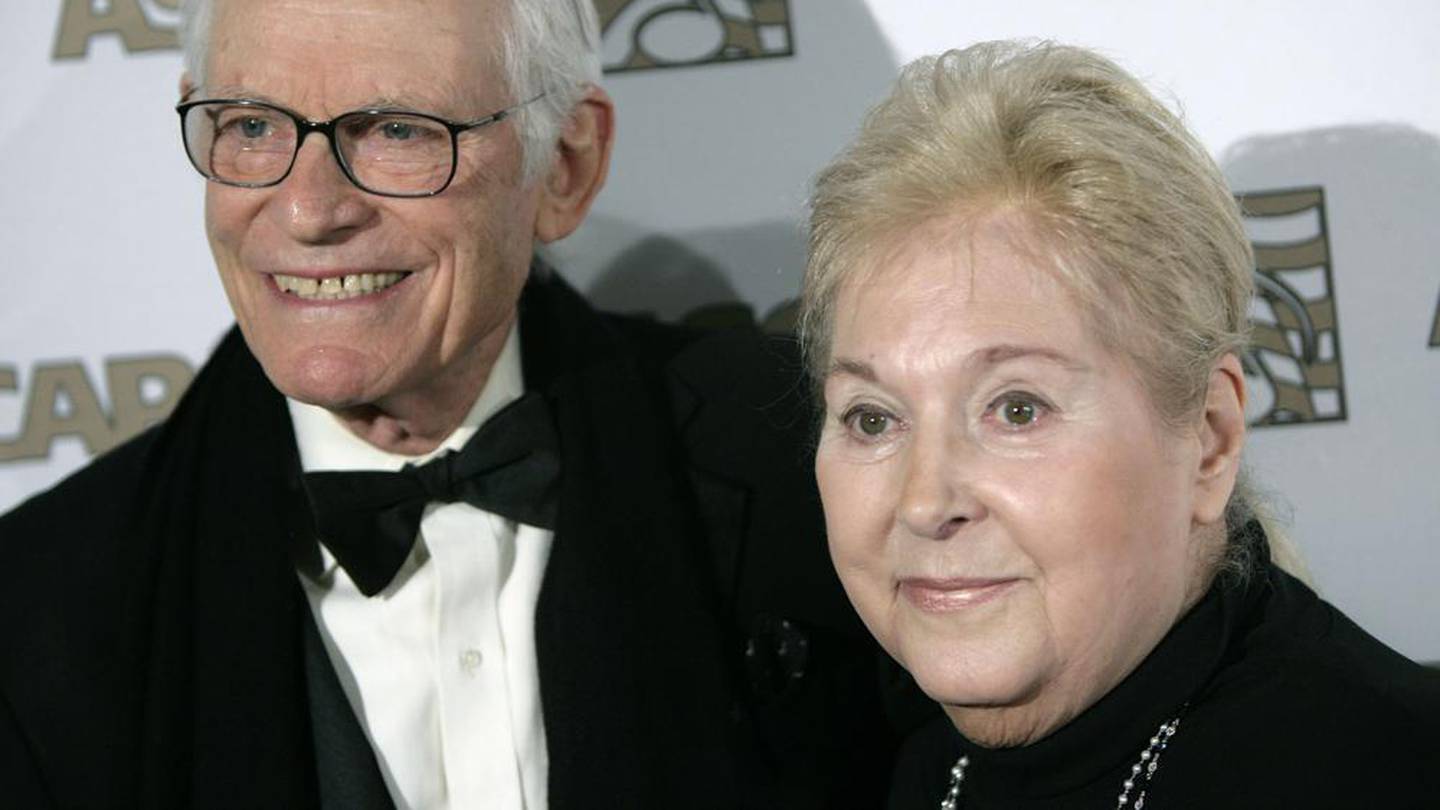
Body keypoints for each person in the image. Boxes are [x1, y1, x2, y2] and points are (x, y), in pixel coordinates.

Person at [0, 1, 927, 807]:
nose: (308, 209)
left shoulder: (808, 477)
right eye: (251, 126)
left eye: (397, 128)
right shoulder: (44, 612)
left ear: (565, 165)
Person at [800, 40, 1440, 808]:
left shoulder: (1392, 772)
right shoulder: (920, 775)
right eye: (873, 419)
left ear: (1209, 440)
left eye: (1016, 409)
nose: (926, 503)